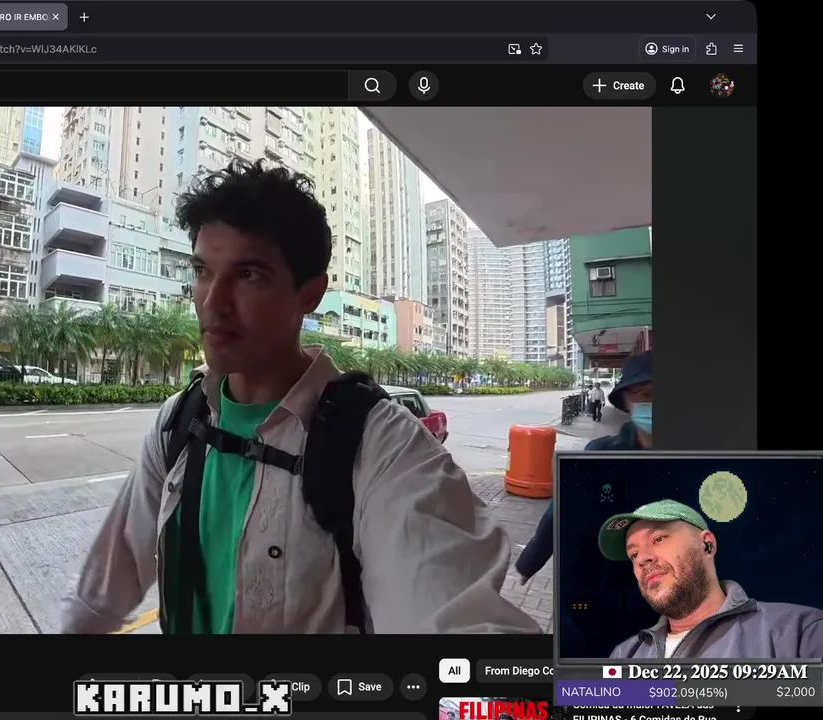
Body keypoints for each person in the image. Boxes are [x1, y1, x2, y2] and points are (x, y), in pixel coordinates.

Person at [60, 160, 539, 634]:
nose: (212, 301)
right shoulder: (180, 421)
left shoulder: (380, 446)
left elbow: (453, 613)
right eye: (203, 271)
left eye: (249, 275)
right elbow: (100, 592)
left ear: (309, 295)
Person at [598, 499, 822, 659]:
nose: (642, 559)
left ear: (707, 544)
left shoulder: (799, 633)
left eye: (659, 539)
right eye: (633, 554)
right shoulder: (624, 656)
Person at [514, 351, 654, 584]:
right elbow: (561, 510)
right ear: (627, 403)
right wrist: (529, 562)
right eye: (646, 395)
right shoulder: (601, 454)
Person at [586, 351, 652, 451]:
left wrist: (602, 402)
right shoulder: (601, 452)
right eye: (646, 394)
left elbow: (602, 396)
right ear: (625, 400)